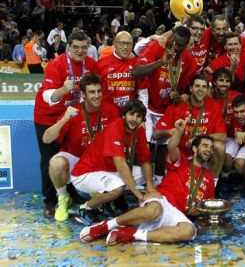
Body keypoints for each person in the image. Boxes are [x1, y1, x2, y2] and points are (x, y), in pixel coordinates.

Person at [79, 127, 217, 245]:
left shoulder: (209, 177)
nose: (209, 150)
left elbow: (206, 206)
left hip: (178, 213)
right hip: (162, 200)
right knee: (153, 211)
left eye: (211, 147)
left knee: (189, 231)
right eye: (205, 145)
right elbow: (171, 146)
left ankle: (133, 234)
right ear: (194, 148)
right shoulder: (181, 162)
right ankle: (107, 225)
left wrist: (199, 210)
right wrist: (179, 132)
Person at [33, 31, 96, 218]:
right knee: (49, 158)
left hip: (73, 116)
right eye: (76, 47)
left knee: (71, 153)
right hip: (48, 116)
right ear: (68, 47)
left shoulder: (91, 64)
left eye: (84, 47)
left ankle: (72, 193)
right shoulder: (56, 64)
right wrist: (62, 89)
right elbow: (47, 95)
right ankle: (50, 201)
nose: (80, 50)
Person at [42, 74, 118, 221]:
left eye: (99, 91)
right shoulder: (74, 111)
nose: (97, 96)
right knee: (56, 163)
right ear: (83, 94)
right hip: (76, 157)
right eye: (91, 92)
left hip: (98, 160)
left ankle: (98, 197)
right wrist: (65, 119)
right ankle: (64, 198)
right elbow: (46, 139)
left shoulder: (110, 109)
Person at [71, 100, 160, 224]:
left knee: (149, 176)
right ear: (124, 115)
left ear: (142, 119)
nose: (134, 119)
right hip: (86, 173)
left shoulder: (139, 131)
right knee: (117, 187)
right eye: (131, 114)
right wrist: (138, 194)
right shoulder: (115, 128)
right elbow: (121, 164)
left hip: (108, 170)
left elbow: (145, 161)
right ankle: (85, 208)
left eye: (138, 116)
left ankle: (108, 202)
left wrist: (150, 186)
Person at [154, 74, 226, 177]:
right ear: (191, 88)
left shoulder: (214, 106)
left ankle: (212, 184)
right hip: (179, 155)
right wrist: (170, 131)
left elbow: (222, 136)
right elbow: (156, 135)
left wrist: (199, 139)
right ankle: (160, 179)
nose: (200, 89)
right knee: (165, 144)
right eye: (197, 86)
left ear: (207, 90)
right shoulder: (177, 105)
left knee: (219, 147)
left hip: (201, 155)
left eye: (204, 87)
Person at [133, 26, 197, 142]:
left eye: (180, 45)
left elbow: (181, 85)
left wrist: (176, 95)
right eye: (174, 41)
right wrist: (161, 62)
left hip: (166, 110)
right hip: (147, 105)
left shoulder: (188, 59)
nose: (174, 46)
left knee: (164, 149)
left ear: (186, 45)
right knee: (144, 144)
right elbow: (136, 72)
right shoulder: (157, 46)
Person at [93, 31, 148, 113]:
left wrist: (142, 115)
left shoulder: (137, 64)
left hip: (129, 116)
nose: (125, 47)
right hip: (106, 114)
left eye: (129, 43)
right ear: (115, 44)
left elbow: (143, 94)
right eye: (122, 43)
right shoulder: (101, 64)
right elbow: (93, 90)